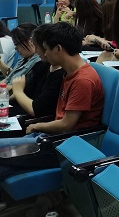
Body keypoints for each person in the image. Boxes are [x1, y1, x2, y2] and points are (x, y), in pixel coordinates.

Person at [0, 22, 104, 193]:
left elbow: (67, 124)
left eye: (47, 49)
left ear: (58, 49)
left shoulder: (83, 80)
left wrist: (37, 126)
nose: (44, 53)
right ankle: (46, 198)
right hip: (49, 138)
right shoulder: (69, 73)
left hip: (62, 146)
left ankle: (47, 198)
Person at [11, 23, 66, 118]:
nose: (36, 51)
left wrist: (18, 91)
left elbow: (36, 110)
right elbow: (24, 88)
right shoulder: (41, 65)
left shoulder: (61, 76)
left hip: (34, 119)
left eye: (37, 47)